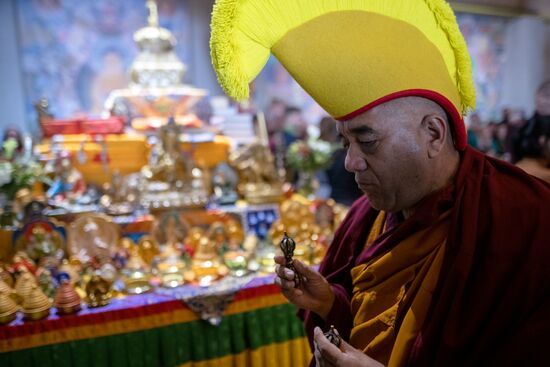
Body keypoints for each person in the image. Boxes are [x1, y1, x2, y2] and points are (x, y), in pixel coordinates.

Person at [210, 1, 550, 366]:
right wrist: (329, 303)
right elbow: (368, 324)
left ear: (433, 133)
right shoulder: (365, 216)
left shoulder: (524, 217)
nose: (350, 162)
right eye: (345, 143)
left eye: (367, 141)